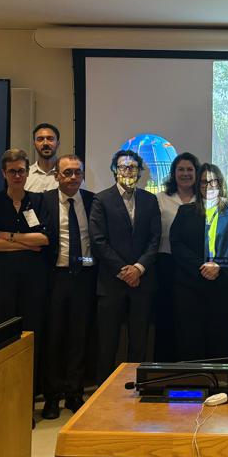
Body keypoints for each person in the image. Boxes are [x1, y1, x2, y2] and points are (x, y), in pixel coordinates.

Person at [0, 148, 50, 394]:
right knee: (3, 338)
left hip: (33, 283)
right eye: (12, 172)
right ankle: (2, 394)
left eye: (21, 171)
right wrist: (27, 243)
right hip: (1, 283)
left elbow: (44, 240)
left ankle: (28, 395)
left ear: (28, 172)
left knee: (32, 337)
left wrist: (8, 237)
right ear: (4, 173)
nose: (17, 176)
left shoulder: (39, 201)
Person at [89, 149, 161, 375]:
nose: (128, 171)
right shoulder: (101, 199)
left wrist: (138, 269)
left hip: (142, 282)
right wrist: (123, 270)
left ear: (139, 172)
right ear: (115, 170)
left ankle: (134, 389)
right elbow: (98, 241)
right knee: (107, 344)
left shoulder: (150, 200)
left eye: (133, 167)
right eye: (123, 167)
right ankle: (103, 391)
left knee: (139, 344)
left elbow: (155, 239)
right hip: (111, 283)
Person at [170, 163, 228, 360]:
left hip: (223, 286)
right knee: (190, 341)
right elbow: (177, 244)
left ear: (220, 184)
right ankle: (193, 379)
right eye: (204, 182)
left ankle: (219, 380)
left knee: (219, 341)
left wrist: (218, 265)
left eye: (213, 181)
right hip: (190, 286)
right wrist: (202, 266)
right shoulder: (185, 211)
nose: (209, 186)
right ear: (198, 185)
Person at [40, 155, 96, 419]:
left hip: (84, 277)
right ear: (57, 176)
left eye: (77, 172)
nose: (73, 177)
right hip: (54, 278)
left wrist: (85, 262)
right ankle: (52, 397)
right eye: (67, 173)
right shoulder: (43, 201)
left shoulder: (93, 201)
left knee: (79, 338)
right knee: (53, 339)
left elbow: (94, 243)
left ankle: (75, 393)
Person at [153, 151, 200, 361]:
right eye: (180, 169)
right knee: (166, 317)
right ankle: (164, 366)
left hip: (194, 266)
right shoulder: (160, 199)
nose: (185, 174)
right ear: (173, 173)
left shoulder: (204, 199)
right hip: (166, 264)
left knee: (190, 321)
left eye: (190, 169)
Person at [25, 123, 60, 192]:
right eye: (40, 139)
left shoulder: (69, 176)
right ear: (34, 144)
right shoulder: (25, 176)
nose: (45, 143)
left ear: (58, 143)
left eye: (50, 139)